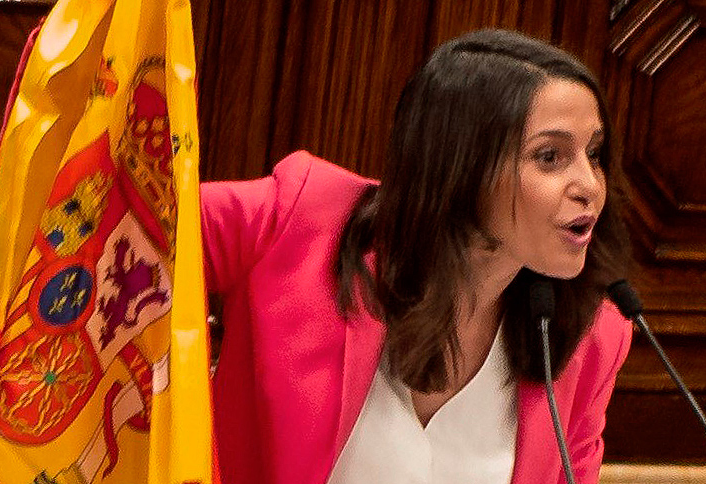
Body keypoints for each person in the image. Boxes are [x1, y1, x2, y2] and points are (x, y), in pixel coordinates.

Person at [199, 29, 634, 484]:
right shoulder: (297, 225)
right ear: (461, 161)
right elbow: (151, 223)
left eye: (594, 154)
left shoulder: (590, 338)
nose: (590, 185)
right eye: (549, 157)